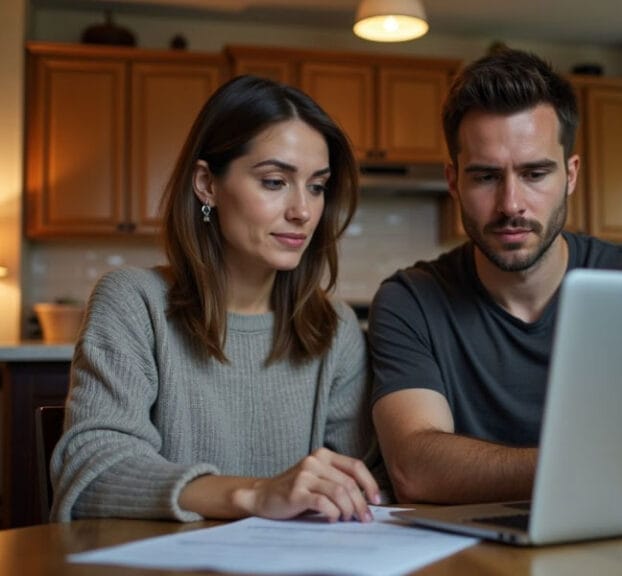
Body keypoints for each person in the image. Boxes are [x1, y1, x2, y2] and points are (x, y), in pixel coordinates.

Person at [51, 75, 383, 523]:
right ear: (207, 184)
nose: (303, 211)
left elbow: (359, 491)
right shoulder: (134, 303)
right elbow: (93, 473)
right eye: (274, 181)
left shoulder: (335, 328)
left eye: (317, 186)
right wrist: (256, 495)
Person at [368, 48, 622, 505]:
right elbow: (414, 469)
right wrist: (596, 464)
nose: (511, 204)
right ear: (454, 181)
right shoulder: (411, 300)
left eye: (535, 173)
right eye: (485, 177)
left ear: (570, 175)